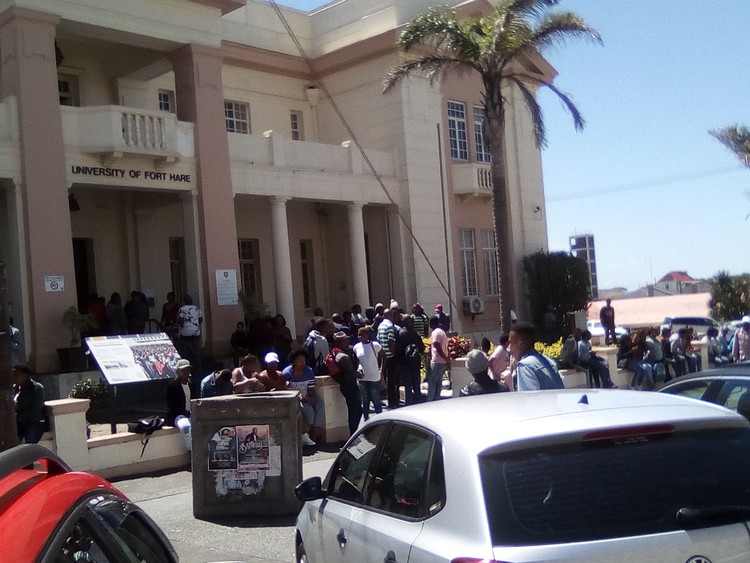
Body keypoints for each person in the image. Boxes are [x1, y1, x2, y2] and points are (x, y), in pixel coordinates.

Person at [283, 349, 323, 446]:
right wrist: (300, 397)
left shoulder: (309, 371)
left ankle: (316, 430)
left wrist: (311, 397)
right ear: (294, 361)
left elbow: (311, 388)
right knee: (308, 409)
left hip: (307, 396)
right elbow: (286, 389)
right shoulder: (287, 373)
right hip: (295, 399)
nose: (302, 363)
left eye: (304, 360)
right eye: (299, 360)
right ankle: (309, 430)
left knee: (320, 403)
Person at [509, 323, 565, 391]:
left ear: (521, 343)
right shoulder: (549, 361)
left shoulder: (525, 366)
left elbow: (529, 398)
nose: (509, 347)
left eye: (511, 343)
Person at [331, 332, 364, 436]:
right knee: (355, 411)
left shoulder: (335, 353)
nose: (348, 342)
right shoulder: (342, 356)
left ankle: (355, 433)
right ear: (339, 342)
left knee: (355, 410)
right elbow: (354, 373)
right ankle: (354, 435)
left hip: (346, 385)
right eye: (345, 340)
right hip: (349, 386)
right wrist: (360, 372)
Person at [352, 326, 384, 420]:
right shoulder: (356, 347)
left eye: (363, 334)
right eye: (359, 335)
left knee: (376, 399)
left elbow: (383, 356)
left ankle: (380, 419)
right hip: (362, 378)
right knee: (365, 400)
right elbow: (356, 361)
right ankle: (366, 419)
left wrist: (381, 369)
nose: (360, 336)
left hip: (374, 377)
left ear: (367, 335)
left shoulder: (375, 345)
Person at [13, 365, 46, 444]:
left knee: (27, 445)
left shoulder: (37, 388)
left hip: (34, 422)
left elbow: (36, 408)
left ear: (25, 374)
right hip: (19, 424)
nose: (14, 377)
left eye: (16, 374)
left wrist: (18, 416)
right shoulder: (14, 389)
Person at [396, 316, 425, 405]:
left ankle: (409, 404)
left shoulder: (400, 334)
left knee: (407, 385)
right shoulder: (415, 334)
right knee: (416, 385)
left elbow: (397, 349)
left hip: (404, 363)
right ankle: (418, 402)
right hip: (415, 363)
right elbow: (422, 348)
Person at [165, 359, 193, 450]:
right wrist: (186, 413)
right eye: (183, 370)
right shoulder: (172, 386)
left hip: (192, 414)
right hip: (177, 415)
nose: (186, 372)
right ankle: (190, 450)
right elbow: (172, 406)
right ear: (177, 371)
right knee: (186, 426)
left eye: (188, 370)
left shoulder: (192, 385)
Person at [377, 308, 400, 408]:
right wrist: (393, 354)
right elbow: (391, 342)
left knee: (387, 378)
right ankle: (393, 402)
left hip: (383, 355)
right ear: (390, 315)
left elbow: (378, 339)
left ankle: (390, 400)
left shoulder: (380, 326)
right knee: (392, 380)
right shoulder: (390, 326)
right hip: (391, 357)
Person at [178, 295, 202, 376]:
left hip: (185, 333)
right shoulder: (196, 308)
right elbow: (200, 319)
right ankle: (198, 370)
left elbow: (180, 321)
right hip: (195, 332)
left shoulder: (182, 309)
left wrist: (183, 326)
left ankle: (186, 370)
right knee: (196, 352)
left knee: (185, 352)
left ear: (184, 301)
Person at [426, 315, 450, 401]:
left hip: (437, 360)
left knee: (432, 381)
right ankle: (436, 399)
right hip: (442, 361)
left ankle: (429, 401)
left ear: (431, 324)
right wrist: (446, 358)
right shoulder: (442, 332)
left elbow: (436, 344)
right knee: (438, 382)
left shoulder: (435, 332)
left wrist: (444, 357)